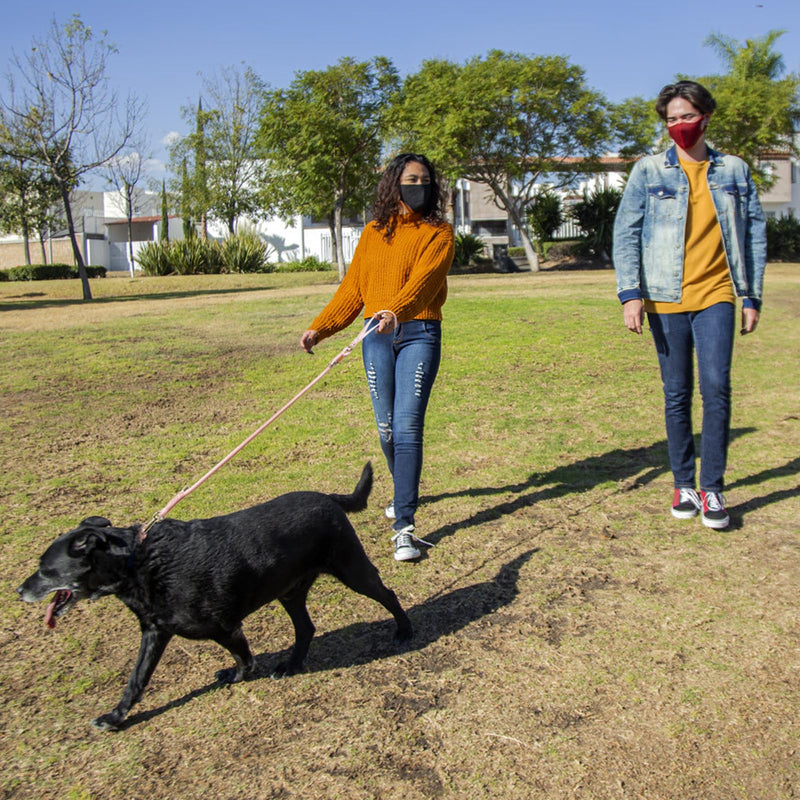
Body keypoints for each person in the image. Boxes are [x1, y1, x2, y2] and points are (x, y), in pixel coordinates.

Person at [613, 80, 766, 530]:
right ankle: (683, 482)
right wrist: (630, 294)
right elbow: (626, 232)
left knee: (716, 388)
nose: (679, 125)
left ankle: (712, 488)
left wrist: (750, 295)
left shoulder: (734, 170)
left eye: (686, 116)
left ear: (705, 117)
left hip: (717, 293)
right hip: (663, 296)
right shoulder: (649, 170)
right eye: (671, 119)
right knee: (677, 393)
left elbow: (754, 235)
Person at [300, 153, 454, 560]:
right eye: (409, 179)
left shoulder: (439, 232)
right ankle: (402, 486)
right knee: (386, 428)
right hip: (375, 336)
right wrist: (322, 326)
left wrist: (395, 311)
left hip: (418, 331)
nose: (417, 187)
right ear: (393, 184)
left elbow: (424, 283)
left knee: (406, 426)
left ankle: (404, 523)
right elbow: (353, 289)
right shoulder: (372, 233)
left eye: (424, 180)